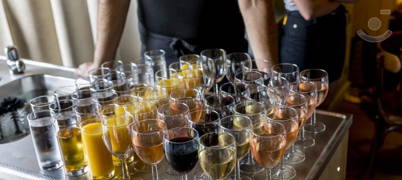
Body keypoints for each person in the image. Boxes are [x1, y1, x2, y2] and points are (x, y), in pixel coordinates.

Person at [78, 0, 278, 76]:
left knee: (228, 148)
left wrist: (270, 75)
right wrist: (101, 64)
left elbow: (254, 2)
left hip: (224, 59)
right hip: (160, 62)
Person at [278, 0, 348, 82]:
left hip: (335, 21)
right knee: (299, 87)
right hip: (304, 29)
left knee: (330, 81)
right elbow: (309, 10)